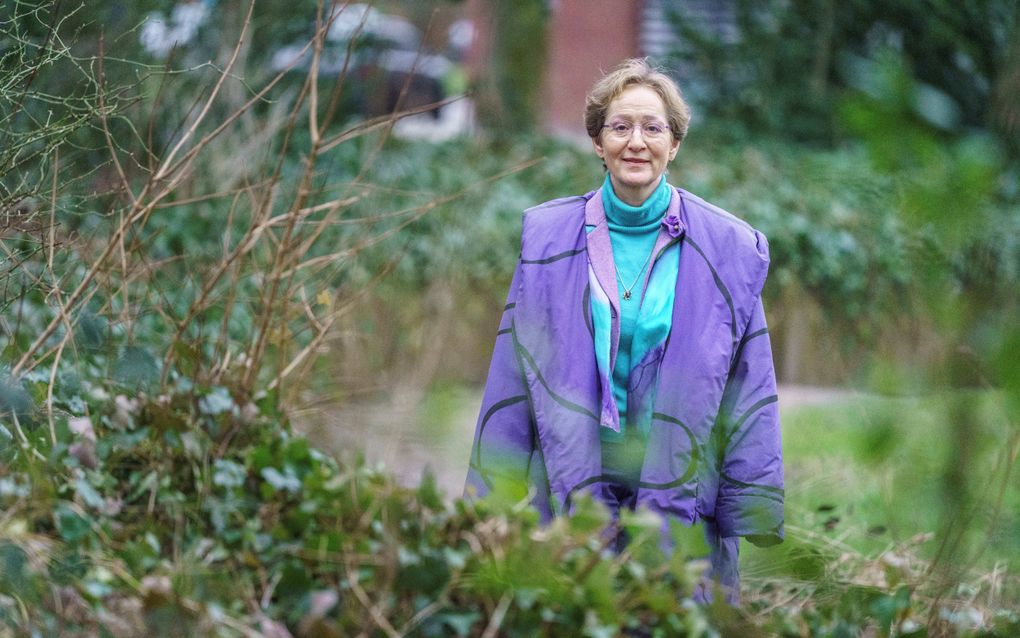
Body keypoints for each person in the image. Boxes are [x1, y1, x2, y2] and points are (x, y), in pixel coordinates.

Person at [464, 58, 783, 602]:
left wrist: (752, 503)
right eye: (620, 127)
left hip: (680, 480)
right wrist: (490, 493)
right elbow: (515, 372)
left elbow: (748, 382)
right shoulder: (548, 238)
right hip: (574, 474)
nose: (636, 142)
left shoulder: (728, 248)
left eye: (652, 128)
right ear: (597, 141)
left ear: (674, 144)